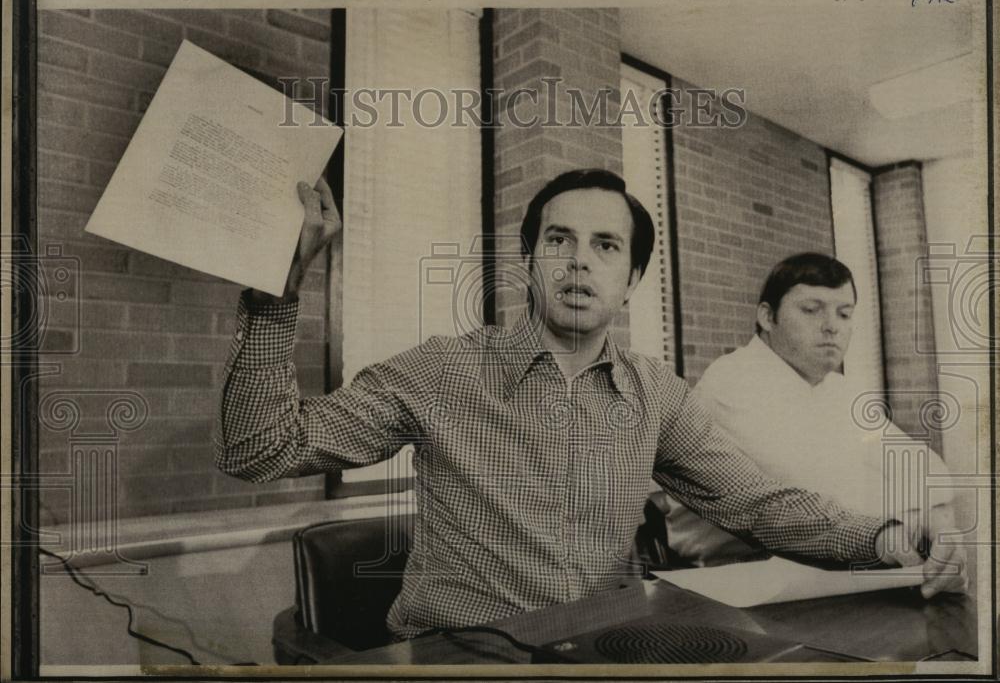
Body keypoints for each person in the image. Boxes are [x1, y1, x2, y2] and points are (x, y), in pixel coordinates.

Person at [216, 171, 964, 640]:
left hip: (606, 646)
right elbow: (262, 449)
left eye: (607, 246)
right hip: (468, 654)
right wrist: (276, 293)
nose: (580, 259)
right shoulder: (444, 370)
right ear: (528, 261)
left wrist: (892, 535)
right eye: (559, 239)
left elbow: (764, 504)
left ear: (632, 275)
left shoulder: (655, 392)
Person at [666, 253, 959, 567]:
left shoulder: (841, 391)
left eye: (844, 314)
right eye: (811, 310)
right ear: (767, 317)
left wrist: (932, 522)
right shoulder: (732, 382)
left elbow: (928, 471)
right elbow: (816, 499)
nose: (832, 327)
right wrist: (915, 519)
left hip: (835, 572)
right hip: (735, 583)